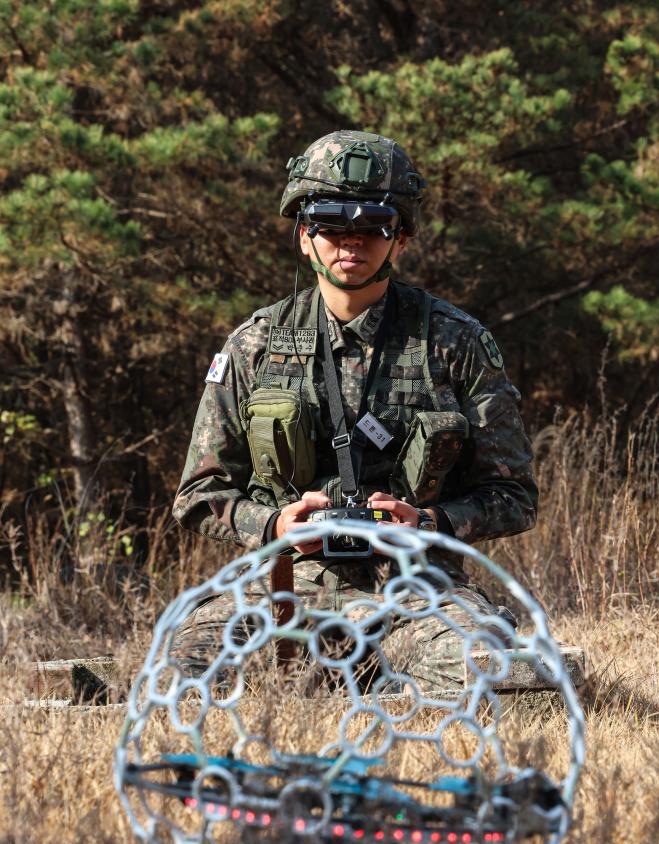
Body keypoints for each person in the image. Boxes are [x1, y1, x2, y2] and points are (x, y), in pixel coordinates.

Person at [171, 131, 538, 691]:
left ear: (402, 240)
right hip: (283, 586)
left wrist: (429, 524)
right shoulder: (255, 344)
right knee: (182, 676)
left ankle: (376, 680)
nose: (352, 243)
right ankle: (356, 683)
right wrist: (275, 524)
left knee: (498, 675)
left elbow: (514, 497)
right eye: (332, 226)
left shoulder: (455, 343)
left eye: (373, 228)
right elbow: (199, 496)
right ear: (303, 236)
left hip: (414, 590)